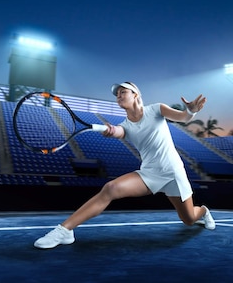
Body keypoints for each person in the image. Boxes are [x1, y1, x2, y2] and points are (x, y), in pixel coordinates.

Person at [34, 81, 216, 249]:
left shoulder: (156, 109)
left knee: (189, 219)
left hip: (173, 173)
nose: (119, 96)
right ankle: (64, 231)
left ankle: (204, 211)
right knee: (110, 188)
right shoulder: (125, 125)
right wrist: (111, 130)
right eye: (117, 94)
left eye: (123, 92)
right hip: (150, 174)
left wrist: (190, 111)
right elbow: (119, 131)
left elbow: (183, 117)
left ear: (136, 94)